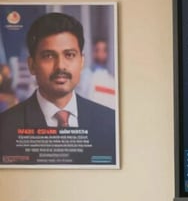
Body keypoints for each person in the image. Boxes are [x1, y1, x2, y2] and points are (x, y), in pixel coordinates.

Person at [0, 12, 116, 162]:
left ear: (81, 61)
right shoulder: (5, 127)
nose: (60, 66)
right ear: (32, 65)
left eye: (69, 55)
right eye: (48, 56)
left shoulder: (110, 121)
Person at [78, 37, 116, 109]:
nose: (100, 53)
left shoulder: (112, 80)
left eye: (104, 50)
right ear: (93, 53)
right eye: (97, 50)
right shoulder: (85, 76)